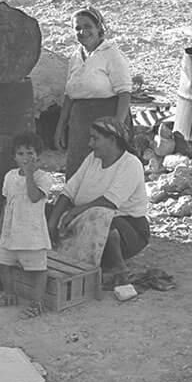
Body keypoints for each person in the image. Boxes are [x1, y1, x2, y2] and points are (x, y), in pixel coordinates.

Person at [48, 117, 150, 284]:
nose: (90, 143)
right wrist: (52, 223)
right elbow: (68, 191)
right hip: (83, 220)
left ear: (111, 140)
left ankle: (118, 266)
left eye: (95, 138)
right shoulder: (92, 159)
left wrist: (74, 212)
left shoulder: (131, 164)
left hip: (127, 230)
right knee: (40, 209)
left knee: (99, 215)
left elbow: (109, 202)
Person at [54, 7, 134, 178]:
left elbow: (125, 93)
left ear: (99, 27)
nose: (83, 31)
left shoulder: (111, 54)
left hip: (107, 119)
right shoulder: (76, 57)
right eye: (77, 28)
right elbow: (69, 94)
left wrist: (116, 129)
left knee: (106, 170)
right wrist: (61, 126)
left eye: (87, 26)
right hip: (80, 122)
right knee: (78, 169)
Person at [0, 132, 54, 318]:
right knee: (2, 263)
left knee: (38, 270)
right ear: (14, 157)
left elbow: (33, 197)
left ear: (37, 156)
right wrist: (0, 227)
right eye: (21, 154)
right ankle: (9, 294)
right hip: (11, 232)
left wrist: (30, 175)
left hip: (32, 235)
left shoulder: (43, 178)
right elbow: (6, 203)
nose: (25, 158)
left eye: (29, 153)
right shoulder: (9, 176)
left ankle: (37, 303)